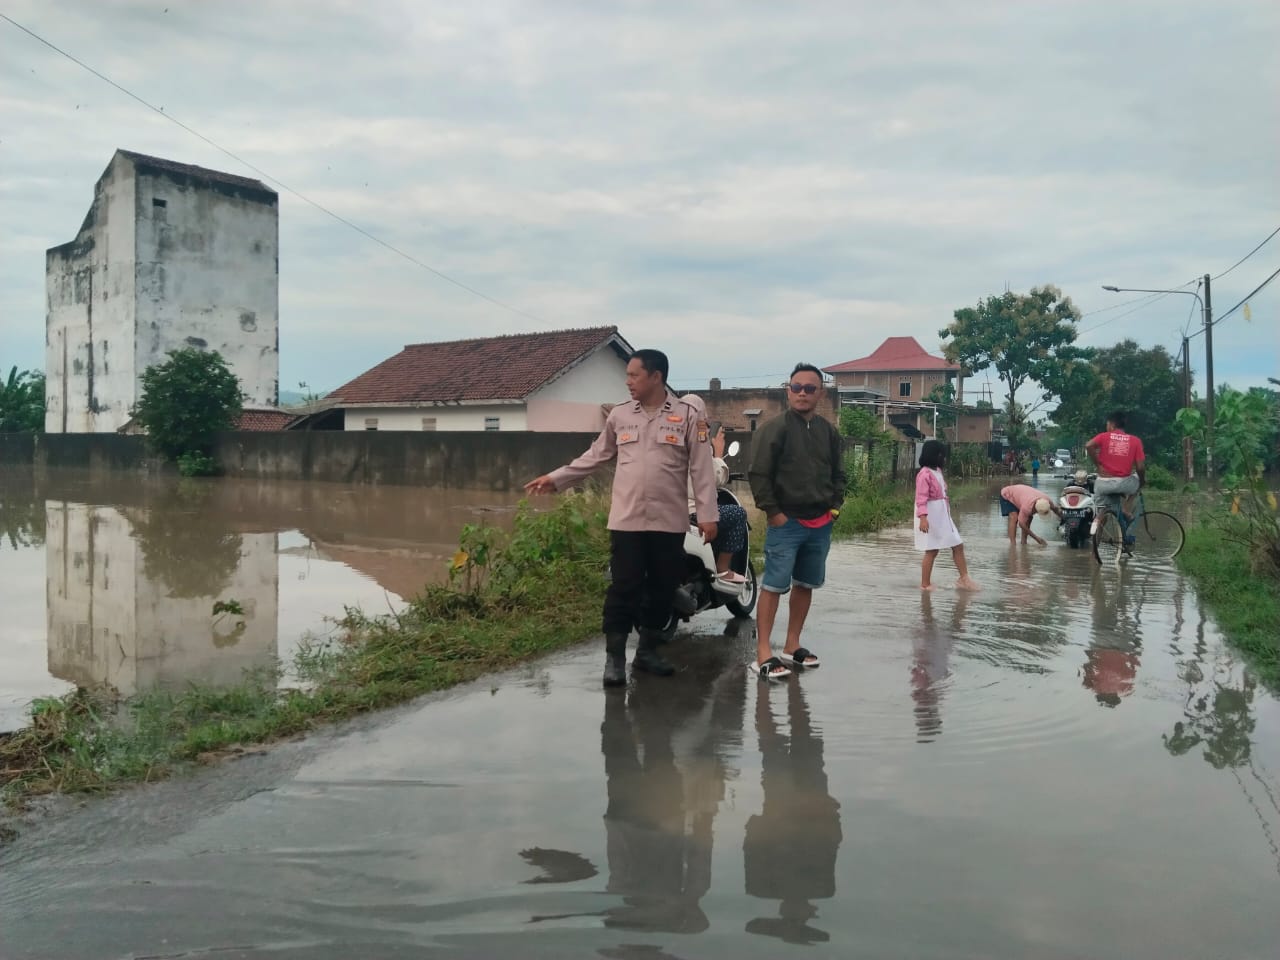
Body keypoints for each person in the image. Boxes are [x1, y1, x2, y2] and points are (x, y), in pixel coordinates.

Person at [525, 349, 719, 687]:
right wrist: (556, 479)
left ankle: (647, 652)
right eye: (627, 375)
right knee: (624, 587)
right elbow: (595, 456)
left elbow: (701, 469)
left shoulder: (687, 416)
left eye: (634, 375)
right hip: (627, 520)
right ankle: (614, 660)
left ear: (656, 377)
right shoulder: (620, 416)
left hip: (668, 521)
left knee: (661, 589)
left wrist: (707, 515)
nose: (627, 381)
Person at [746, 363, 845, 680]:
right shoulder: (773, 429)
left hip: (820, 523)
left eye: (810, 388)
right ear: (788, 390)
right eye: (796, 387)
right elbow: (759, 474)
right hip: (785, 522)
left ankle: (792, 645)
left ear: (821, 393)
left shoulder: (827, 432)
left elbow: (838, 474)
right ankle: (763, 651)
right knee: (774, 585)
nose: (802, 393)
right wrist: (773, 513)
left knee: (806, 583)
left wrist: (834, 506)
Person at [915, 439, 980, 591]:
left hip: (943, 514)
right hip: (931, 515)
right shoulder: (924, 474)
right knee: (932, 550)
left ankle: (964, 578)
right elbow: (921, 498)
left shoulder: (937, 471)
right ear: (934, 455)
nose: (944, 459)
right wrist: (923, 518)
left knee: (957, 545)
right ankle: (925, 584)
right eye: (941, 455)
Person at [687, 424, 748, 584]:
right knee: (738, 514)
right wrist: (719, 454)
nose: (706, 429)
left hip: (665, 512)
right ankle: (723, 569)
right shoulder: (700, 445)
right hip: (694, 513)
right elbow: (712, 479)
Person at [1085, 410, 1146, 528]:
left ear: (1112, 425)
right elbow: (1140, 467)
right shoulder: (1135, 441)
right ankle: (1126, 509)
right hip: (1124, 484)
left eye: (1107, 425)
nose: (1107, 427)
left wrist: (1098, 466)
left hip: (1103, 485)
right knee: (1139, 479)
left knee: (1101, 515)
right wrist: (1142, 481)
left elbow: (1088, 445)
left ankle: (1097, 538)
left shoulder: (1103, 436)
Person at [999, 481, 1063, 545]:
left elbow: (1056, 509)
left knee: (1029, 518)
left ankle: (1023, 542)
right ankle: (1013, 545)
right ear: (1036, 510)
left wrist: (1064, 519)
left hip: (1021, 496)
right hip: (1008, 494)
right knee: (1014, 517)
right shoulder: (1027, 507)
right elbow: (1021, 524)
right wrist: (1037, 539)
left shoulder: (1047, 501)